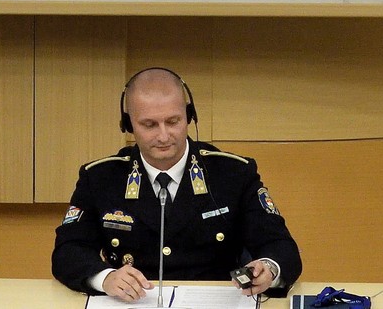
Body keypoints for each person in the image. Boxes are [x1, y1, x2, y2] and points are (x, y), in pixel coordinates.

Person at [53, 68, 302, 299]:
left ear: (189, 116)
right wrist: (105, 278)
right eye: (149, 125)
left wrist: (269, 268)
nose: (163, 136)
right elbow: (68, 250)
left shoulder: (233, 174)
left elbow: (281, 246)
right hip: (133, 303)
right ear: (128, 125)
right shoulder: (100, 177)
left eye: (173, 122)